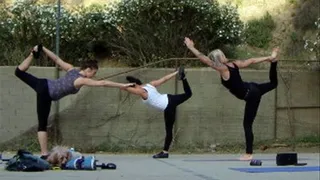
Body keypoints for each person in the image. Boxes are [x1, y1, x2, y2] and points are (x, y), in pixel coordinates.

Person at [15, 45, 134, 158]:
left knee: (19, 72)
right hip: (46, 93)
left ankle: (33, 53)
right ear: (88, 69)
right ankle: (44, 153)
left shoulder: (71, 69)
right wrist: (122, 85)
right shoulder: (81, 80)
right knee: (42, 125)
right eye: (94, 73)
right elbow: (102, 83)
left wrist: (43, 48)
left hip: (43, 84)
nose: (93, 76)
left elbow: (56, 59)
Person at [184, 37, 279, 161]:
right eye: (221, 55)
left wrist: (191, 47)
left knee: (247, 124)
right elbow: (251, 60)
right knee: (273, 84)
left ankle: (248, 154)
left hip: (250, 95)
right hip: (253, 88)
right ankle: (274, 62)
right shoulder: (233, 65)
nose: (224, 56)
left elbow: (205, 60)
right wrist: (268, 58)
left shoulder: (224, 69)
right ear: (218, 59)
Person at [123, 67, 192, 158]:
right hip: (169, 98)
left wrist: (121, 86)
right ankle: (183, 78)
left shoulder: (142, 91)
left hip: (168, 107)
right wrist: (176, 73)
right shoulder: (149, 85)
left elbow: (127, 89)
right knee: (188, 94)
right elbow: (164, 79)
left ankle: (165, 152)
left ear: (134, 85)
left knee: (169, 130)